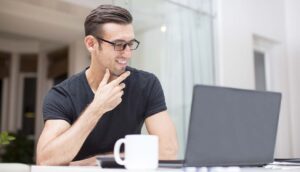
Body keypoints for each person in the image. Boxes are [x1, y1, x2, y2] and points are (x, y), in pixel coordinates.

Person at [36, 4, 178, 166]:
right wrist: (97, 108)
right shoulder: (62, 95)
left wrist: (98, 161)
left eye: (130, 44)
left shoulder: (146, 84)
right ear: (91, 44)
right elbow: (46, 160)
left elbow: (168, 151)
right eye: (118, 44)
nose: (127, 53)